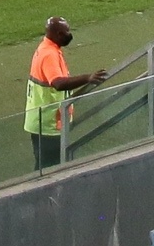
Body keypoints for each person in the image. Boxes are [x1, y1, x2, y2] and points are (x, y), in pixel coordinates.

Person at [24, 15, 108, 168]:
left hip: (42, 120)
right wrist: (87, 78)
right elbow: (58, 83)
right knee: (50, 168)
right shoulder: (49, 54)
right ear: (58, 34)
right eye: (66, 32)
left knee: (46, 166)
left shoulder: (47, 48)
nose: (69, 35)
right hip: (48, 123)